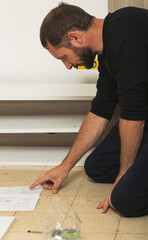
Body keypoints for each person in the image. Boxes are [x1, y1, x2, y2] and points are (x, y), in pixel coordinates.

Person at [30, 3, 148, 217]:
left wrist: (123, 176)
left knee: (124, 200)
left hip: (141, 117)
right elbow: (101, 110)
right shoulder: (106, 51)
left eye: (63, 57)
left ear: (75, 37)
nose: (67, 66)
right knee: (97, 167)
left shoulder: (128, 30)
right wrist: (64, 167)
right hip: (144, 119)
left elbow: (134, 113)